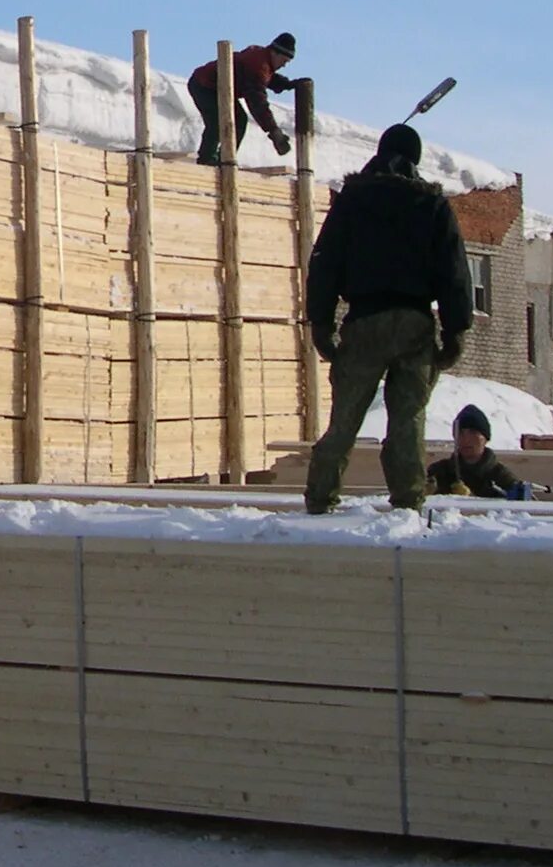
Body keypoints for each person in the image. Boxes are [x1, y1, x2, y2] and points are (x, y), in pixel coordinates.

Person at [301, 122, 473, 513]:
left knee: (344, 420)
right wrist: (456, 329)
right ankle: (408, 500)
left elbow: (325, 262)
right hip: (414, 323)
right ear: (416, 160)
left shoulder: (353, 201)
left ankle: (320, 497)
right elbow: (454, 272)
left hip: (365, 322)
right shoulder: (431, 205)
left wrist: (321, 323)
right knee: (407, 419)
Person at [189, 33, 298, 165]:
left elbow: (266, 79)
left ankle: (224, 158)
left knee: (239, 119)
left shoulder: (262, 60)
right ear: (275, 53)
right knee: (217, 121)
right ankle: (208, 159)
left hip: (219, 89)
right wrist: (273, 130)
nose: (284, 65)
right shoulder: (258, 64)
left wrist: (288, 84)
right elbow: (257, 101)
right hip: (204, 86)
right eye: (284, 61)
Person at [427, 403, 524, 499]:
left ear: (485, 439)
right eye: (461, 433)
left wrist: (471, 499)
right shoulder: (439, 472)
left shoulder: (500, 476)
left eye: (473, 433)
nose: (466, 439)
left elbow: (522, 505)